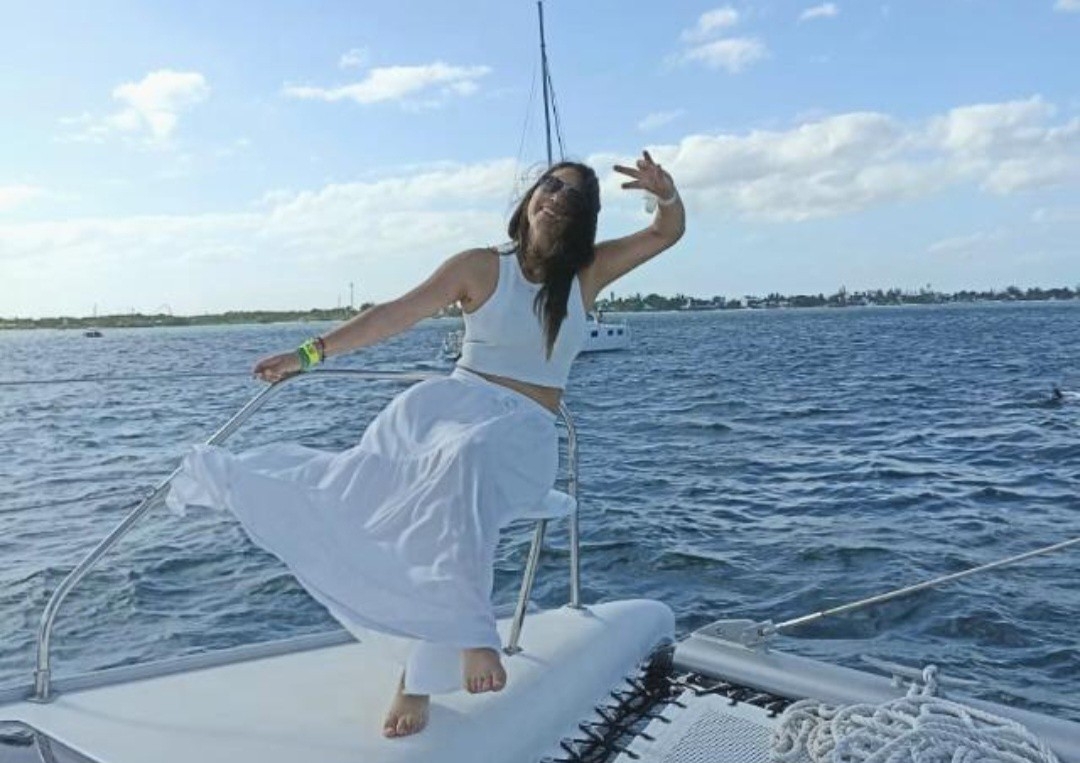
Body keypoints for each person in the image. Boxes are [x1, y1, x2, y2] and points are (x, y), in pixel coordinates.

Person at [168, 151, 684, 738]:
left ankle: (459, 643)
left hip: (521, 432)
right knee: (371, 479)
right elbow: (396, 314)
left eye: (572, 194)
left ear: (584, 216)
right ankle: (443, 648)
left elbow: (666, 232)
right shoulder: (481, 266)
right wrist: (307, 355)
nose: (556, 196)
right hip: (446, 410)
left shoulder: (588, 272)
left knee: (464, 463)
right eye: (550, 184)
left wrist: (664, 193)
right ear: (530, 197)